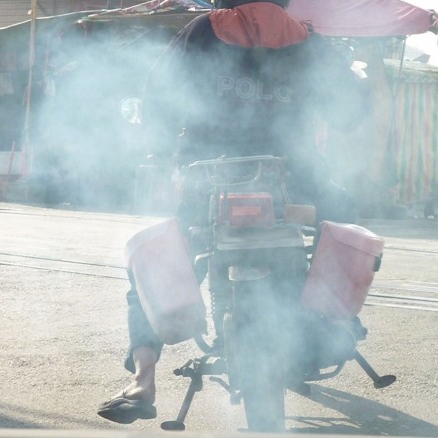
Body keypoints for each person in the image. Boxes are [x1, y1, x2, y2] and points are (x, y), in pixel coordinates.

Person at [97, 0, 371, 424]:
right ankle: (337, 323)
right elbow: (352, 112)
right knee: (343, 221)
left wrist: (162, 144)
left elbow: (158, 103)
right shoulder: (305, 38)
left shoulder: (201, 31)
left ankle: (144, 379)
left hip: (209, 178)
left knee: (157, 261)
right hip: (292, 178)